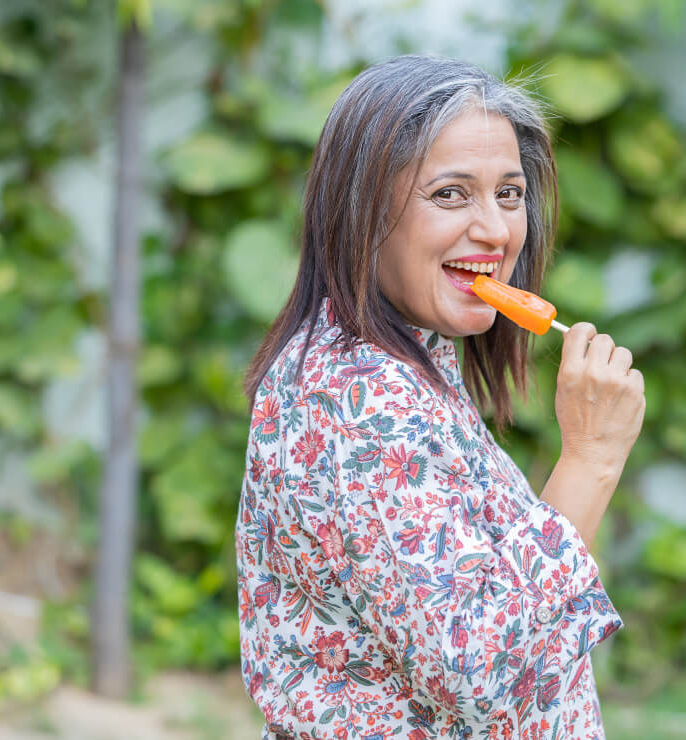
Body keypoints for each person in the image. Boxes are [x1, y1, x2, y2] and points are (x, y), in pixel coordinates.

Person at [236, 55, 646, 740]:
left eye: (509, 194)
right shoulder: (364, 404)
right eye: (451, 194)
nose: (495, 231)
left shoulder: (393, 358)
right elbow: (479, 674)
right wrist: (592, 459)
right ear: (363, 213)